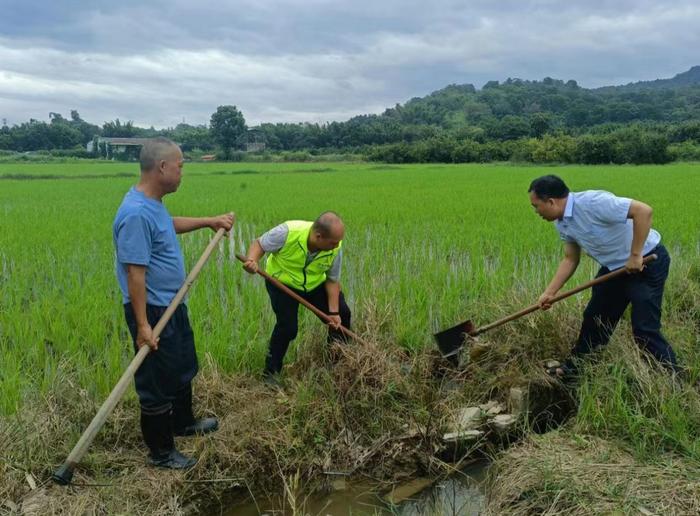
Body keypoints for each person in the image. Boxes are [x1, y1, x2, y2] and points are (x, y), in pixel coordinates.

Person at [113, 137, 234, 469]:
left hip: (170, 303)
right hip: (151, 310)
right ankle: (162, 453)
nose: (182, 173)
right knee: (156, 381)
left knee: (181, 367)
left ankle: (183, 423)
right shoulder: (136, 214)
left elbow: (166, 226)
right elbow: (134, 274)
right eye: (180, 166)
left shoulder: (152, 205)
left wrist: (209, 221)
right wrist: (142, 326)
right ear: (162, 167)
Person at [528, 174, 677, 377]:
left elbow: (643, 211)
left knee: (644, 328)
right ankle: (575, 371)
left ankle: (673, 377)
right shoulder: (562, 222)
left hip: (646, 263)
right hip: (615, 269)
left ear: (551, 201)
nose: (536, 211)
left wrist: (635, 255)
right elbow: (570, 258)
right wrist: (550, 292)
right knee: (595, 318)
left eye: (536, 206)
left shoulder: (593, 202)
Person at [242, 212, 351, 386]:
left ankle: (339, 362)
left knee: (343, 315)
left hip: (314, 284)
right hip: (282, 284)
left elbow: (332, 281)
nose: (337, 245)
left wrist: (333, 312)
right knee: (288, 327)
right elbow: (259, 243)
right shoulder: (287, 232)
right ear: (318, 236)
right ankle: (271, 373)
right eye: (333, 242)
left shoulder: (335, 248)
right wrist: (252, 260)